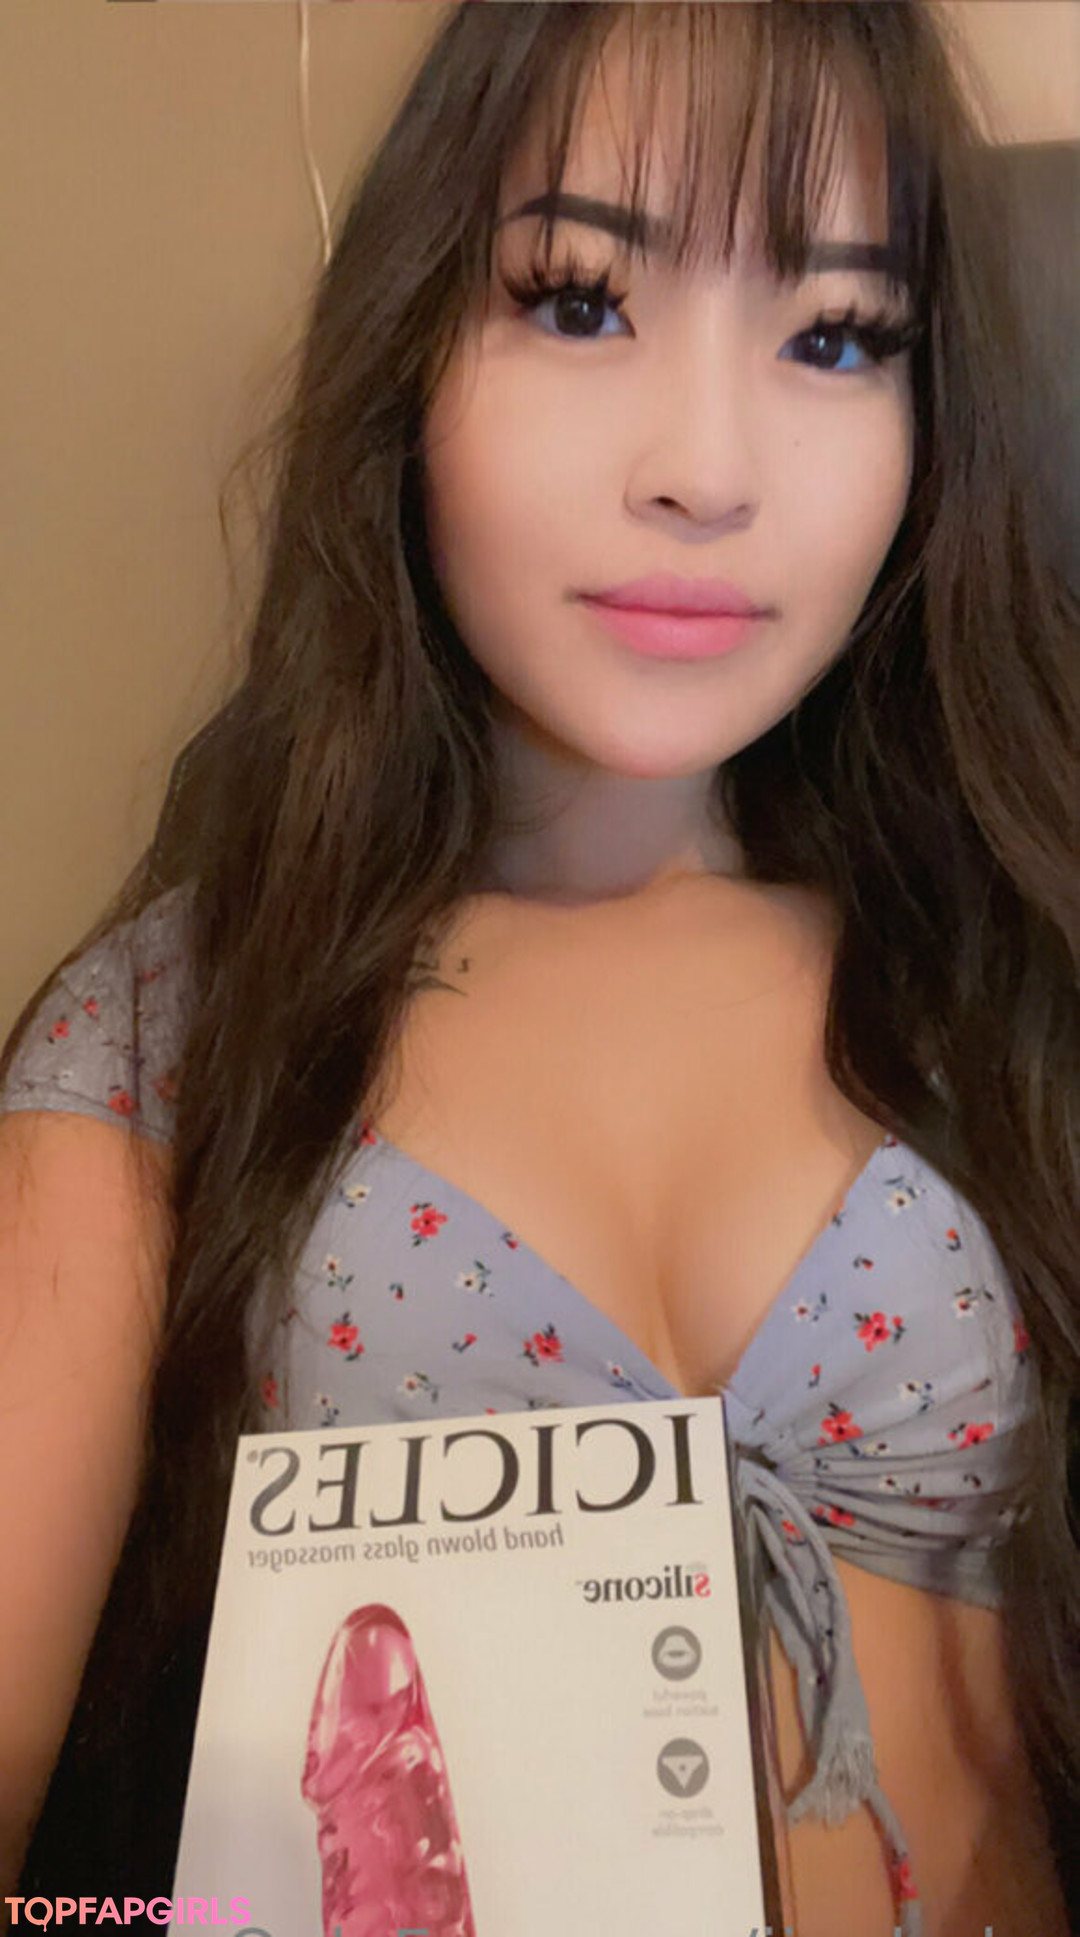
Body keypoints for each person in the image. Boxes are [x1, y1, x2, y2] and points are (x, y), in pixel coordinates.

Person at [0, 3, 1077, 1932]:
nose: (707, 466)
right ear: (413, 345)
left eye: (838, 335)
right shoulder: (173, 1029)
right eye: (581, 301)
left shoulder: (1023, 949)